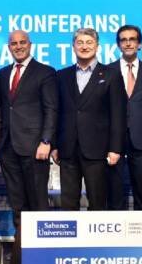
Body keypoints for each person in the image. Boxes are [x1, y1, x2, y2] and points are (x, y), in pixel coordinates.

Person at [0, 29, 57, 264]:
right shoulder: (2, 74)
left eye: (22, 43)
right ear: (9, 47)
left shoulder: (45, 72)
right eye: (14, 43)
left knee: (37, 201)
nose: (18, 47)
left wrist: (46, 140)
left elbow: (51, 109)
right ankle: (21, 250)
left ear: (30, 45)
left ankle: (41, 250)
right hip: (8, 147)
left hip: (35, 147)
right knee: (17, 201)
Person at [53, 27, 126, 211]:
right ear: (73, 47)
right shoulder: (61, 75)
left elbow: (118, 114)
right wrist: (54, 144)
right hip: (68, 149)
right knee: (68, 203)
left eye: (89, 42)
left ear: (97, 46)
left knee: (98, 202)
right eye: (80, 43)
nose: (84, 47)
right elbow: (56, 112)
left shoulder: (111, 74)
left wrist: (115, 148)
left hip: (98, 150)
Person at [113, 25, 142, 211]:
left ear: (139, 44)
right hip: (114, 141)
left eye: (132, 39)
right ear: (118, 45)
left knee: (141, 193)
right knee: (115, 193)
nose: (128, 43)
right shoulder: (108, 71)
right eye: (123, 40)